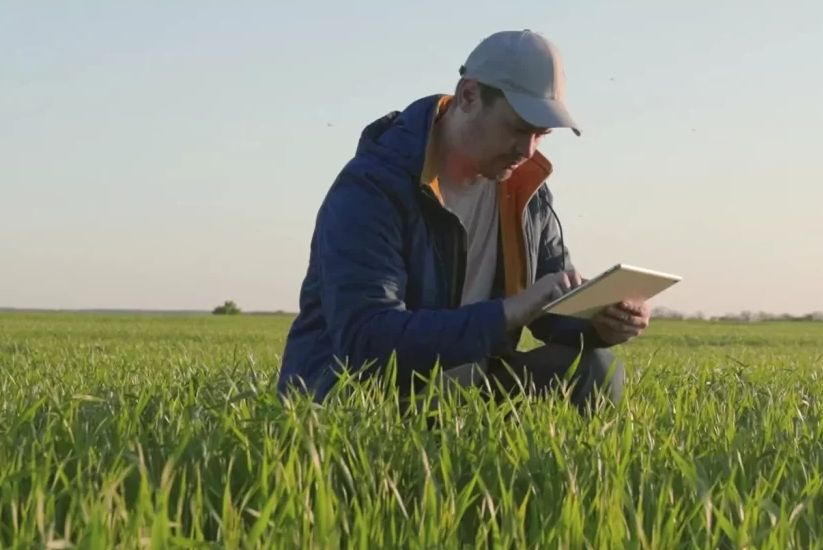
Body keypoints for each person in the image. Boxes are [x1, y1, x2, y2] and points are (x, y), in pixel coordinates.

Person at [277, 29, 652, 413]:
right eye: (518, 128)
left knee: (595, 370)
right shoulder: (372, 187)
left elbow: (551, 309)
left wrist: (601, 323)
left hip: (468, 384)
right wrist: (509, 312)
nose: (527, 150)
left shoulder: (527, 190)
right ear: (469, 95)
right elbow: (368, 341)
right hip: (359, 393)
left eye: (542, 135)